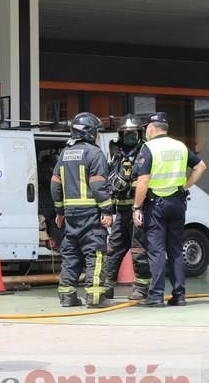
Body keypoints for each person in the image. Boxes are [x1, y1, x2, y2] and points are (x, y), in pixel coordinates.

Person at [132, 112, 207, 307]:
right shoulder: (180, 146)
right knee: (175, 250)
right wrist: (185, 186)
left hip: (156, 204)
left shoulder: (149, 147)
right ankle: (179, 295)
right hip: (177, 203)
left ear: (151, 127)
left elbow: (143, 180)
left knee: (156, 251)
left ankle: (156, 296)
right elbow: (201, 167)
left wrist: (136, 206)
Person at [51, 112, 113, 309]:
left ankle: (67, 296)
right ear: (90, 132)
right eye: (97, 132)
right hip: (91, 215)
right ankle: (95, 297)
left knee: (71, 254)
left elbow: (54, 186)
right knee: (95, 254)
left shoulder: (64, 154)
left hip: (70, 216)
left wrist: (59, 212)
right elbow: (97, 186)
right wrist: (107, 211)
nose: (98, 136)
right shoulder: (95, 154)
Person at [103, 115, 150, 300]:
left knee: (138, 250)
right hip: (122, 210)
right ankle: (107, 285)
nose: (129, 137)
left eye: (132, 133)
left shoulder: (146, 151)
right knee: (113, 248)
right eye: (125, 134)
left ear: (140, 133)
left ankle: (141, 288)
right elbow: (110, 179)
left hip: (140, 210)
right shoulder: (117, 152)